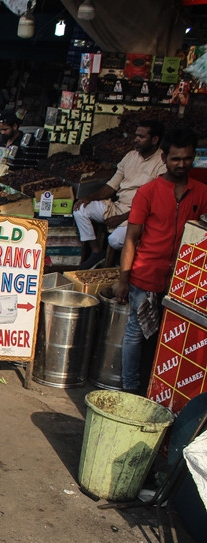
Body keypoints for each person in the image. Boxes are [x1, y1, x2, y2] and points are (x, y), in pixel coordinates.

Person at [113, 128, 207, 394]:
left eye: (187, 158)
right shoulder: (148, 192)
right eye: (175, 159)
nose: (181, 164)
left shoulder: (201, 193)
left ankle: (157, 389)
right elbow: (131, 239)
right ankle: (130, 389)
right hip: (145, 275)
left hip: (181, 281)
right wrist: (124, 279)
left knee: (169, 337)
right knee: (135, 333)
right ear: (164, 158)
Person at [74, 119, 166, 269]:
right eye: (136, 135)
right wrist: (89, 198)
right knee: (80, 209)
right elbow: (112, 185)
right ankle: (97, 252)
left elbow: (155, 202)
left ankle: (122, 262)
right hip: (119, 206)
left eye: (141, 137)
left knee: (115, 240)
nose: (136, 139)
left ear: (155, 140)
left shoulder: (162, 162)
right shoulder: (130, 156)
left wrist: (122, 218)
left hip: (141, 216)